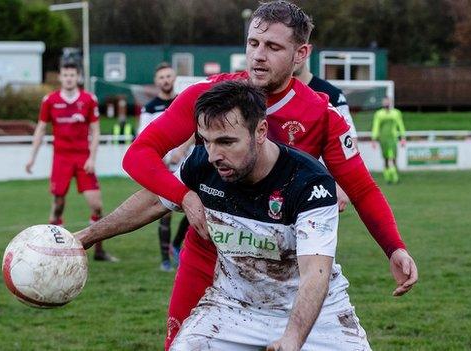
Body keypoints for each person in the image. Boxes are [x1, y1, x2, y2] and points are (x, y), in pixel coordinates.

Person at [121, 2, 418, 348]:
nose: (258, 56)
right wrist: (184, 196)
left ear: (301, 53)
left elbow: (362, 189)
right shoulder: (209, 96)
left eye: (273, 47)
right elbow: (138, 155)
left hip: (285, 270)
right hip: (209, 258)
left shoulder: (320, 114)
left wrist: (394, 247)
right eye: (253, 44)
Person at [76, 81, 371, 350]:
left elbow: (315, 273)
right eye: (205, 140)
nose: (214, 153)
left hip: (318, 316)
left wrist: (293, 338)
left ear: (260, 131)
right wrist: (86, 237)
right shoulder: (205, 163)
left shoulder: (309, 183)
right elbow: (155, 202)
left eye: (226, 142)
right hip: (233, 308)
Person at [25, 62, 117, 262]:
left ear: (78, 77)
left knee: (96, 205)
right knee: (58, 204)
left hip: (83, 158)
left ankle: (99, 250)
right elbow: (41, 129)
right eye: (65, 74)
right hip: (61, 158)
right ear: (60, 77)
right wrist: (31, 157)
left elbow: (95, 131)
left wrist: (92, 158)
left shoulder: (88, 99)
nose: (68, 78)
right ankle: (52, 248)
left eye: (72, 75)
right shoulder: (50, 100)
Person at [140, 62, 189, 271]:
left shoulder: (184, 101)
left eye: (168, 76)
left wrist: (181, 149)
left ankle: (176, 245)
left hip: (187, 165)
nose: (165, 80)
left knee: (196, 206)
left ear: (174, 77)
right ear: (156, 81)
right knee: (164, 212)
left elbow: (197, 128)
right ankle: (165, 260)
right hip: (164, 169)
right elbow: (143, 139)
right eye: (161, 77)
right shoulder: (150, 108)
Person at [293, 57, 355, 211]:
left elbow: (349, 140)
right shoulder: (268, 92)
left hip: (318, 185)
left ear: (307, 51)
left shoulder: (332, 94)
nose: (293, 57)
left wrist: (343, 184)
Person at [371, 97, 406, 184]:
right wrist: (374, 139)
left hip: (392, 138)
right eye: (385, 102)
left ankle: (395, 178)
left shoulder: (396, 113)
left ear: (390, 102)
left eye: (388, 101)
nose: (386, 103)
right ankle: (388, 178)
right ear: (383, 103)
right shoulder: (379, 114)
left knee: (393, 157)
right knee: (386, 158)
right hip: (383, 139)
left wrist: (403, 137)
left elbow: (400, 125)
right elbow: (376, 126)